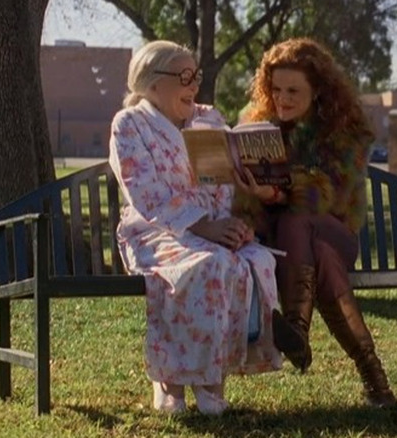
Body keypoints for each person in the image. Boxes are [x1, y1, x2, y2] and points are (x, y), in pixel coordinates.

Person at [108, 40, 283, 416]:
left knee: (255, 262)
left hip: (209, 229)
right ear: (152, 83)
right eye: (184, 77)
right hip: (157, 231)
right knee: (204, 266)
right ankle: (170, 378)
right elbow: (144, 192)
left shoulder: (208, 120)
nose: (194, 86)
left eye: (196, 76)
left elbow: (219, 186)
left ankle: (212, 375)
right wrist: (202, 226)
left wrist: (230, 226)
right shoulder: (130, 125)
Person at [232, 38, 397, 408]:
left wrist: (276, 195)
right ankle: (374, 379)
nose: (282, 99)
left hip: (336, 231)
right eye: (274, 89)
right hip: (286, 247)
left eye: (293, 90)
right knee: (321, 257)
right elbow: (244, 199)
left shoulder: (346, 131)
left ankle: (296, 328)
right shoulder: (258, 126)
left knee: (304, 222)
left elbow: (326, 195)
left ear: (318, 90)